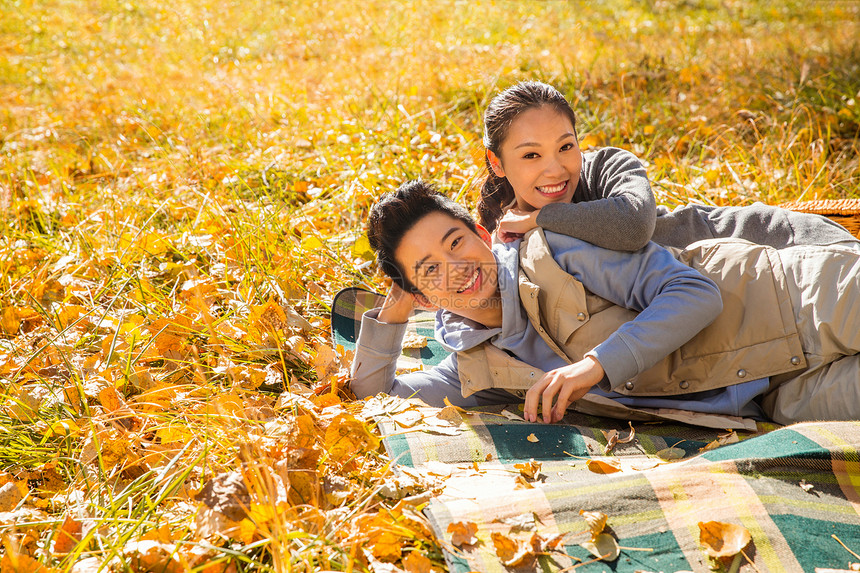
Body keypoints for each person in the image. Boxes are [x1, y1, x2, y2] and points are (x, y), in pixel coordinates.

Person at [351, 180, 860, 427]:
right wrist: (393, 313)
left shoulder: (552, 249)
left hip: (790, 297)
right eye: (429, 269)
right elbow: (375, 399)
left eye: (455, 243)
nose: (455, 269)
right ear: (421, 296)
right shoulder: (480, 368)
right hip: (773, 392)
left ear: (483, 233)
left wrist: (593, 367)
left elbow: (692, 293)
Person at [478, 81, 855, 250]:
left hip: (786, 245)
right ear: (497, 163)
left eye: (566, 146)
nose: (556, 169)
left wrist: (537, 219)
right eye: (531, 155)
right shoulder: (501, 238)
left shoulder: (608, 166)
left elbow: (633, 227)